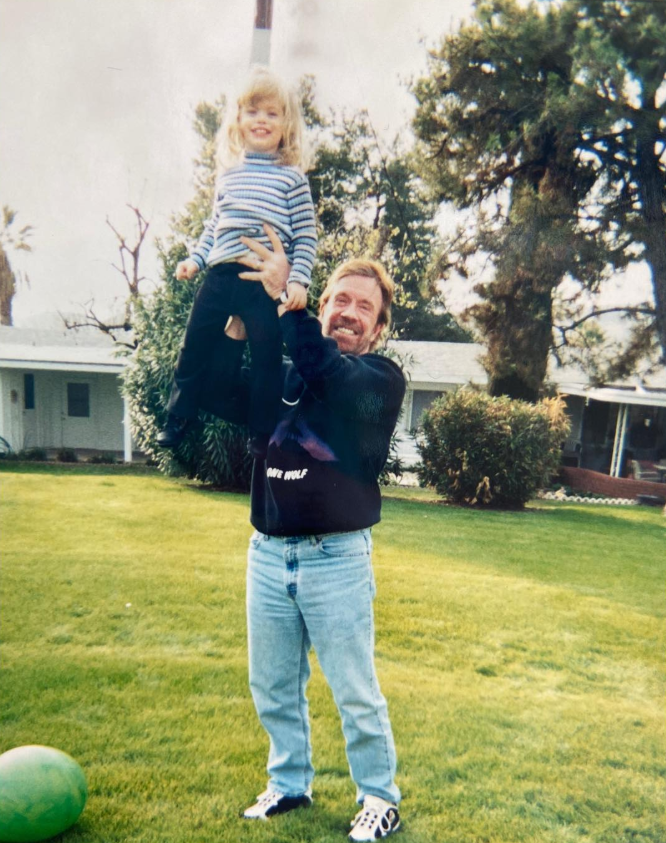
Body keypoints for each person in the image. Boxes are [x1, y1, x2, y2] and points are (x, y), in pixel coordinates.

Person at [213, 226, 405, 841]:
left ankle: (380, 798)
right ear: (320, 307)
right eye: (338, 301)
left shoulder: (378, 378)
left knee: (355, 692)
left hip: (337, 559)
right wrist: (237, 329)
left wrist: (285, 308)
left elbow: (330, 375)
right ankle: (289, 785)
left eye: (363, 308)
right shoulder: (284, 374)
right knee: (271, 684)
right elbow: (218, 391)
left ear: (376, 329)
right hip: (267, 555)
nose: (349, 313)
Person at [157, 67, 316, 456]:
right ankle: (179, 414)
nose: (261, 120)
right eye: (253, 111)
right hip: (221, 275)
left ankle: (261, 434)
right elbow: (213, 226)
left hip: (264, 283)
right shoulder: (228, 176)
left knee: (265, 359)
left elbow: (307, 235)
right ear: (238, 121)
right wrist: (194, 259)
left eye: (272, 113)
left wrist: (298, 281)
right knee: (194, 344)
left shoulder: (292, 179)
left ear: (285, 125)